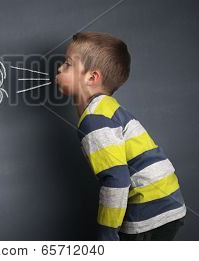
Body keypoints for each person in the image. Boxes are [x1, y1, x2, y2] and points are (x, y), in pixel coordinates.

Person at [55, 32, 186, 241]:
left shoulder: (95, 119)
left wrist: (106, 232)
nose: (60, 68)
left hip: (150, 209)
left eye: (68, 64)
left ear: (91, 77)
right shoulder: (107, 109)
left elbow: (116, 179)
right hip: (167, 200)